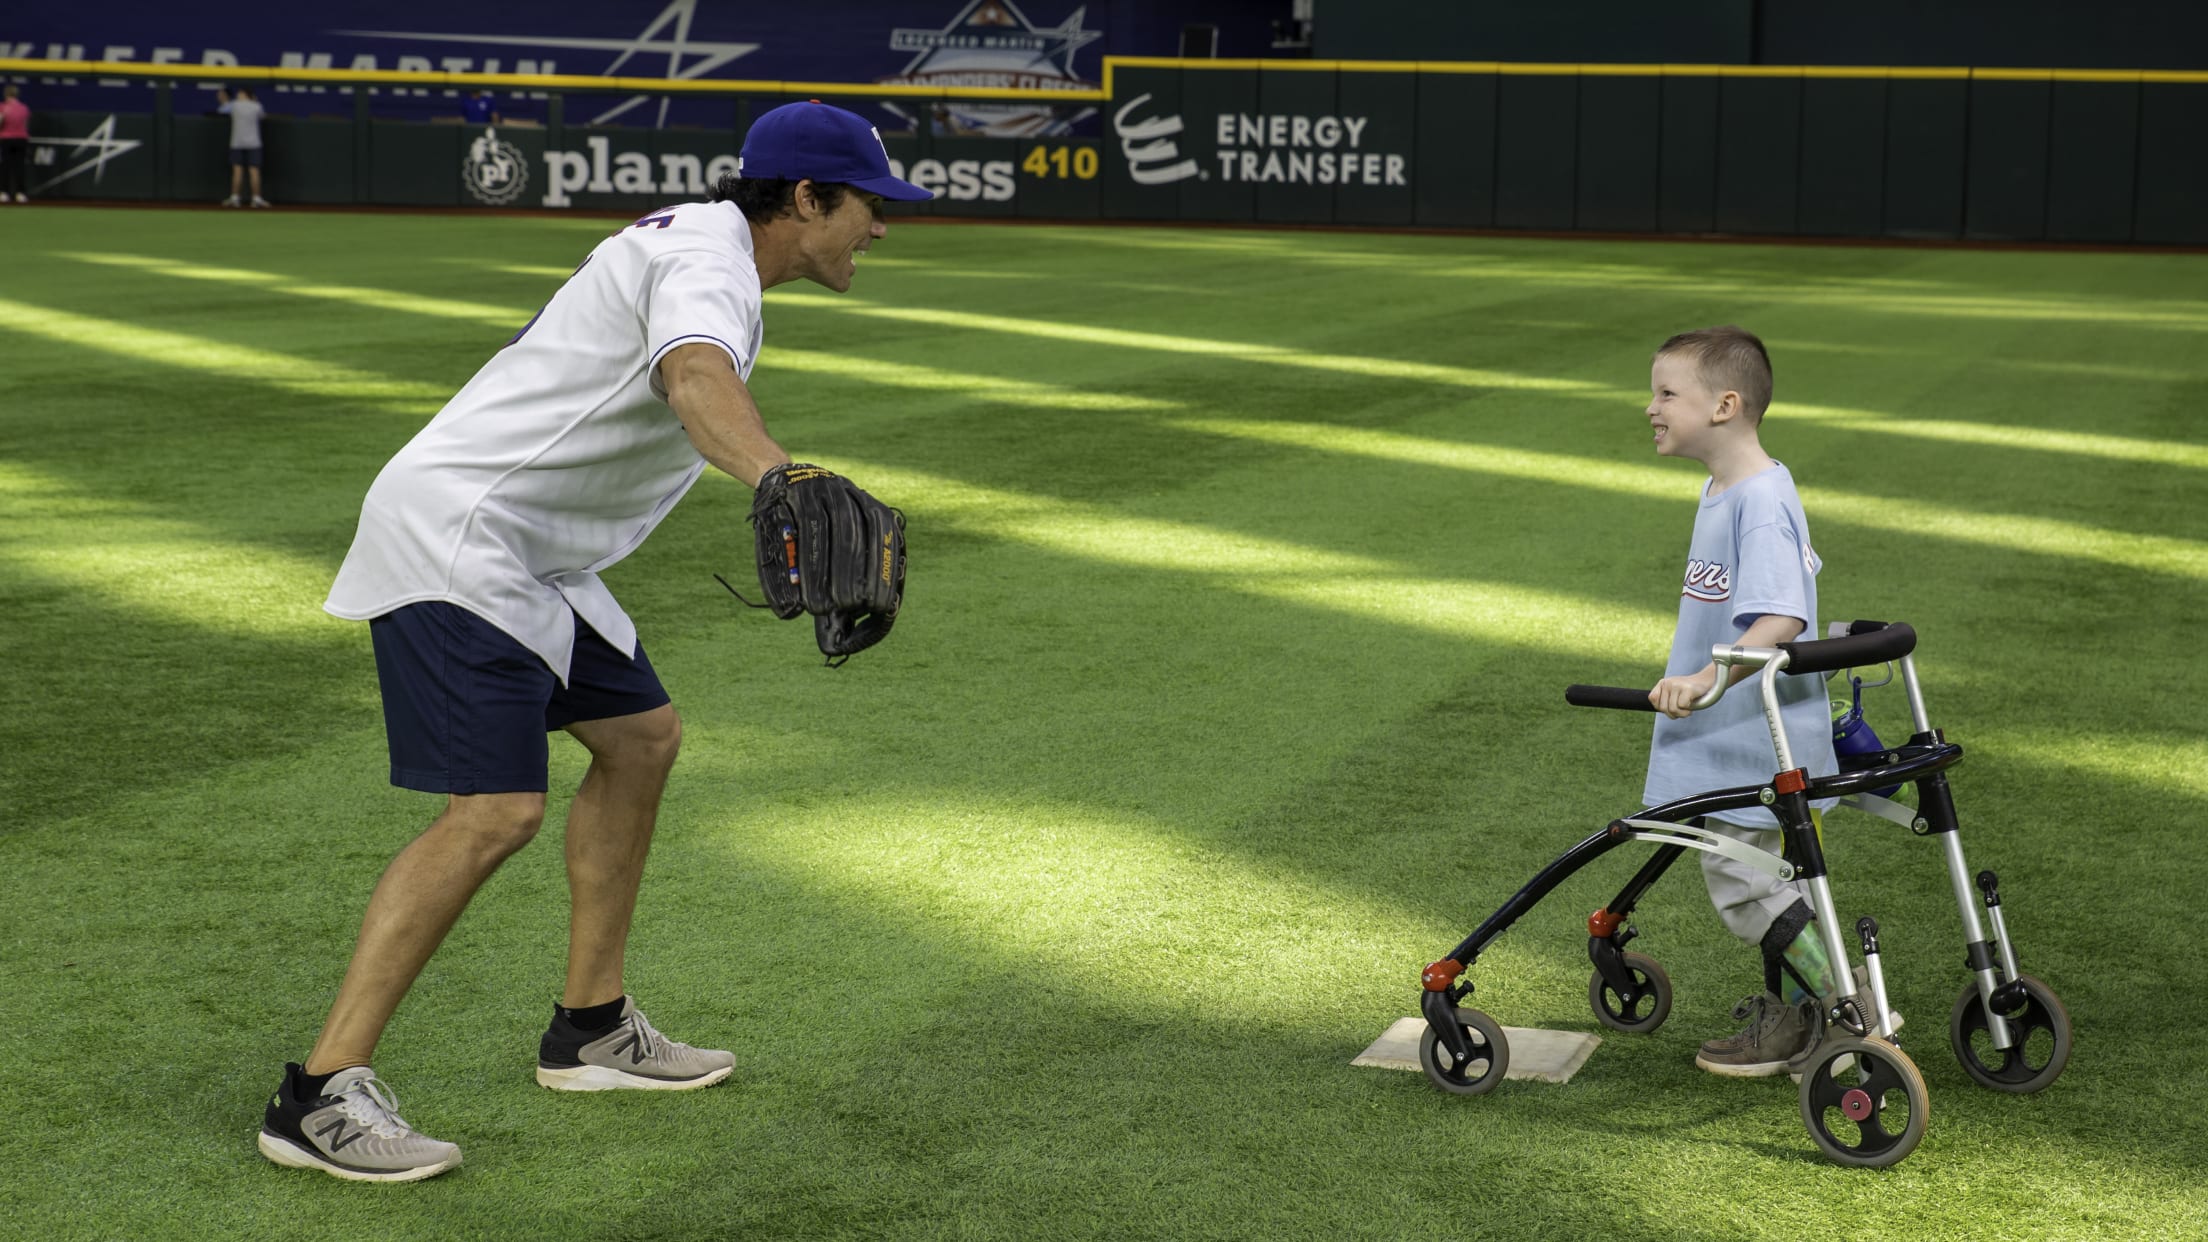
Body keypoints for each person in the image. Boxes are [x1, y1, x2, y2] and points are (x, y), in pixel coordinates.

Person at [255, 100, 933, 1183]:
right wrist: (779, 475)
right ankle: (319, 1093)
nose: (882, 229)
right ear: (805, 199)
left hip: (541, 560)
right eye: (869, 206)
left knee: (642, 739)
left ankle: (592, 1029)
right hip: (463, 538)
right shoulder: (709, 266)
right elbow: (695, 378)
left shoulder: (703, 249)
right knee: (494, 814)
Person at [1638, 326, 1846, 1078]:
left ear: (1725, 405)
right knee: (1756, 879)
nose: (1651, 407)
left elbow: (1782, 617)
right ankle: (1805, 1022)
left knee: (1742, 883)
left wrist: (1703, 678)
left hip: (1754, 733)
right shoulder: (1728, 488)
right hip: (1739, 730)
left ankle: (1850, 1014)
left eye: (1667, 393)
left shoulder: (1759, 500)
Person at [216, 86, 269, 208]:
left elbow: (221, 110)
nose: (238, 95)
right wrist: (254, 101)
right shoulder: (257, 106)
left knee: (237, 171)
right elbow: (263, 116)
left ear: (245, 94)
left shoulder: (234, 105)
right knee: (254, 171)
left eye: (240, 93)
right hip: (253, 142)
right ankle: (256, 198)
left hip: (237, 142)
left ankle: (235, 198)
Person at [0, 86, 29, 204]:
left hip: (6, 139)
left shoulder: (3, 107)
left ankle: (4, 193)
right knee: (19, 166)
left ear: (6, 94)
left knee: (5, 166)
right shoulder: (24, 108)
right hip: (21, 139)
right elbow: (26, 125)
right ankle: (20, 193)